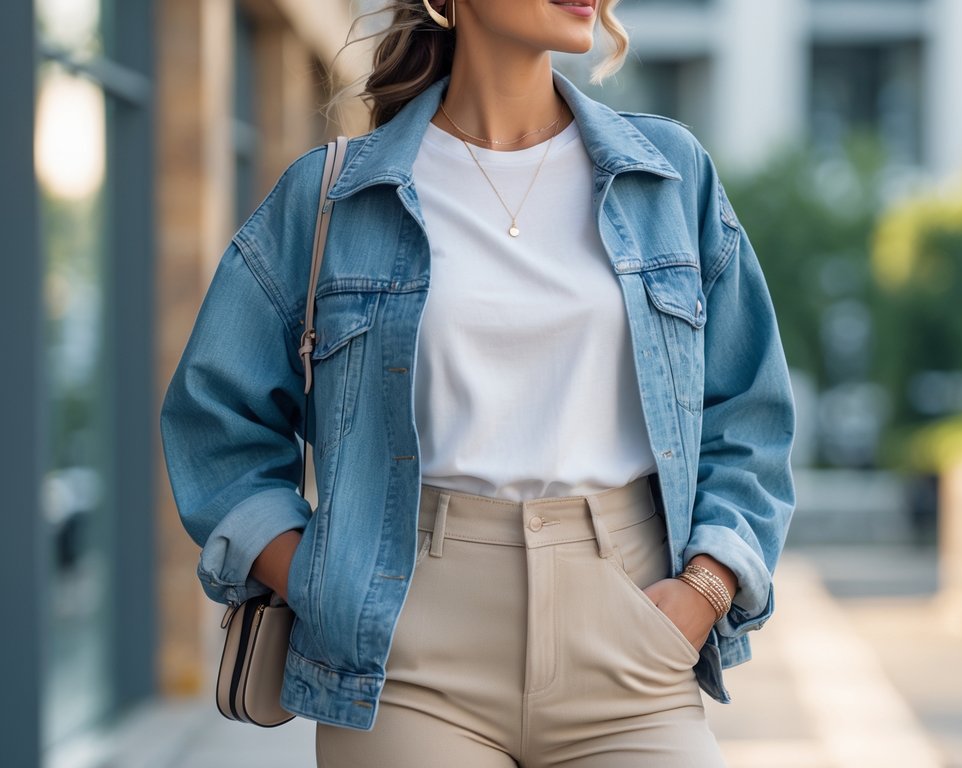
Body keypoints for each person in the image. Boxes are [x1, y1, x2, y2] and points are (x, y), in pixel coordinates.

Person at [160, 0, 796, 764]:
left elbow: (749, 412)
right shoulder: (331, 195)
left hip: (631, 636)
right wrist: (317, 579)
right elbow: (216, 421)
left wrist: (705, 590)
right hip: (408, 649)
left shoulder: (668, 176)